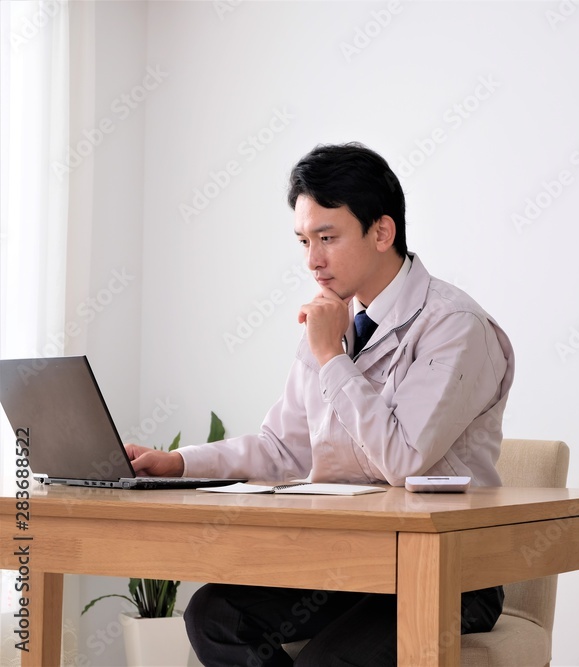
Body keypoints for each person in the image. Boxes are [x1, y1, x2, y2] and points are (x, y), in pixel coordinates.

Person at [125, 142, 514, 666]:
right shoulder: (334, 320)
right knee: (214, 614)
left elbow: (403, 459)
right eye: (305, 241)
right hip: (352, 561)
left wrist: (332, 356)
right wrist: (178, 463)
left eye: (327, 238)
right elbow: (282, 450)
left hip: (449, 568)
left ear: (382, 232)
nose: (313, 260)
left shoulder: (454, 325)